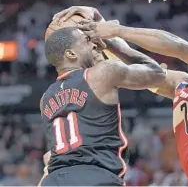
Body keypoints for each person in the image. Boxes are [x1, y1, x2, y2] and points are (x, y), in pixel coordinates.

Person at [56, 7, 188, 186]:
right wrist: (102, 32)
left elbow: (179, 47)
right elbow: (139, 66)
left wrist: (118, 30)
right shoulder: (182, 84)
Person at [39, 26, 165, 186]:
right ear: (71, 54)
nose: (94, 44)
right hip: (96, 177)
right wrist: (113, 44)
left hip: (54, 181)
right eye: (86, 41)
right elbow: (157, 73)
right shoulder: (101, 74)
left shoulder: (45, 99)